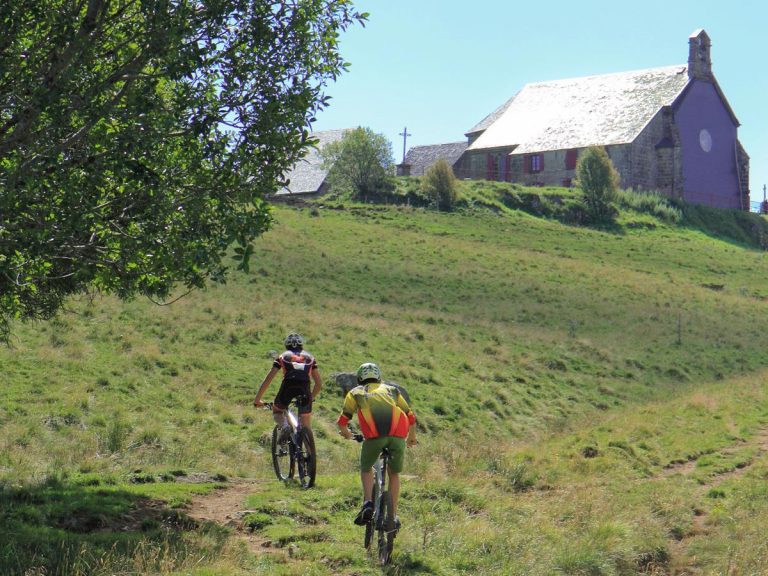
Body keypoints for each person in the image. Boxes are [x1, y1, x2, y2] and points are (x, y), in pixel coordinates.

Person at [337, 362, 417, 529]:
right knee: (394, 474)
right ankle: (393, 516)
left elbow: (343, 420)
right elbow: (410, 415)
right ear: (379, 377)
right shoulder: (392, 390)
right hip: (397, 437)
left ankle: (367, 503)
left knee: (366, 469)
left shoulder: (356, 392)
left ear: (359, 378)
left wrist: (346, 433)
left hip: (374, 438)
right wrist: (412, 437)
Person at [253, 333, 322, 434]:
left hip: (288, 386)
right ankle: (310, 449)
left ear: (286, 346)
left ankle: (285, 426)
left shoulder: (282, 356)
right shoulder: (310, 358)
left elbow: (268, 379)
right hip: (305, 387)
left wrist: (257, 400)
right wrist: (310, 398)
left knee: (277, 411)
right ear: (301, 345)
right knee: (306, 425)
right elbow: (319, 383)